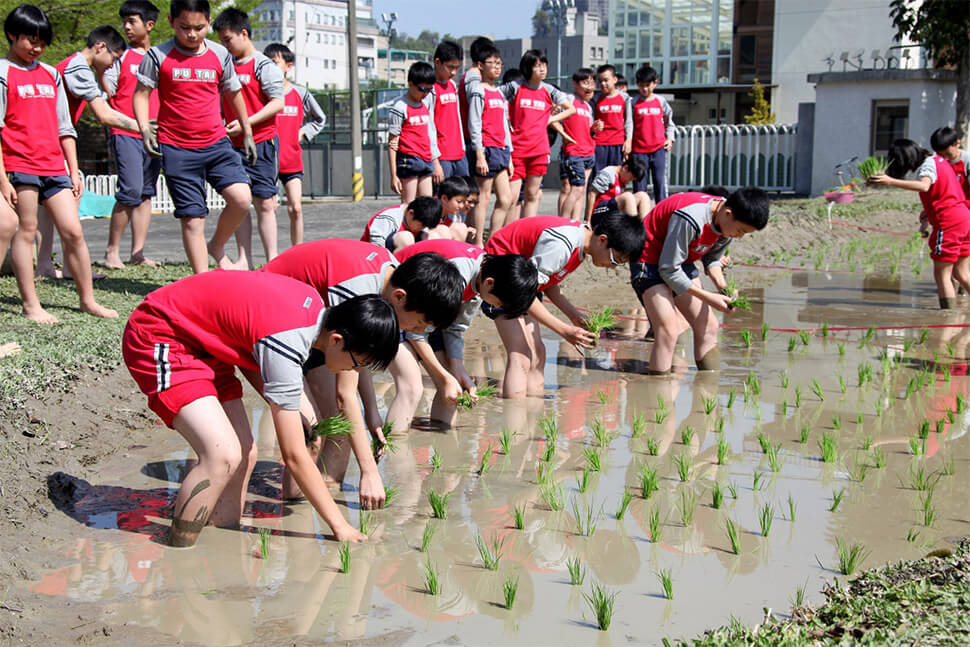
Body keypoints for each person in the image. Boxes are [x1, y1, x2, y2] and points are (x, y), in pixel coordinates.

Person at [122, 269, 400, 546]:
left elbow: (255, 347)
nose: (353, 370)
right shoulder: (289, 343)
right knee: (221, 455)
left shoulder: (312, 311)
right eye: (356, 363)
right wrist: (340, 526)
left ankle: (221, 541)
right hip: (161, 334)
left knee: (244, 451)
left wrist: (290, 408)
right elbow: (293, 456)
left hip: (207, 344)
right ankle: (179, 551)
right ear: (337, 340)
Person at [261, 239, 463, 500]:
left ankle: (322, 494)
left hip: (314, 328)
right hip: (275, 327)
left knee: (337, 427)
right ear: (399, 297)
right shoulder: (357, 291)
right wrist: (369, 472)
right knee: (323, 431)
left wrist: (371, 411)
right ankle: (295, 513)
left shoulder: (389, 275)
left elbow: (356, 360)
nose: (418, 332)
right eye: (420, 323)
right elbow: (345, 394)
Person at [0, 4, 117, 323]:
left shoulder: (52, 74)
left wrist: (73, 168)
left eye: (41, 41)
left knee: (73, 231)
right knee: (26, 230)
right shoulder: (3, 72)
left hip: (54, 167)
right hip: (19, 165)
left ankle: (87, 300)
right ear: (12, 35)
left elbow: (65, 127)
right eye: (29, 39)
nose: (35, 47)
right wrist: (4, 180)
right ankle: (31, 305)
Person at [134, 0, 255, 274]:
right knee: (192, 218)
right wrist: (144, 130)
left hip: (216, 143)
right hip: (177, 148)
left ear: (209, 23)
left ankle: (217, 245)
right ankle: (202, 281)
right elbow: (141, 95)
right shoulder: (157, 56)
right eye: (184, 27)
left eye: (199, 28)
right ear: (171, 22)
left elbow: (233, 93)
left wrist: (246, 130)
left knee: (241, 198)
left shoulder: (220, 54)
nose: (192, 34)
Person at [484, 209, 646, 398]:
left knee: (538, 352)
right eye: (615, 260)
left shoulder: (581, 246)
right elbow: (521, 293)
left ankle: (534, 410)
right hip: (498, 280)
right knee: (520, 353)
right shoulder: (562, 245)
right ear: (602, 240)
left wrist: (575, 316)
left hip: (523, 283)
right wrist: (564, 330)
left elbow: (549, 285)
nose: (612, 267)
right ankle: (515, 418)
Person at [395, 239, 538, 425]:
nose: (496, 307)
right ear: (489, 283)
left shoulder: (482, 278)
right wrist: (444, 376)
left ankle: (445, 444)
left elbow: (455, 327)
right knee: (413, 387)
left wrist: (457, 367)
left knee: (451, 387)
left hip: (427, 314)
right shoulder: (457, 275)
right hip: (400, 308)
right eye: (498, 303)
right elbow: (416, 331)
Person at [631, 188, 769, 374]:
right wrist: (708, 297)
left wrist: (723, 288)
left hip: (680, 260)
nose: (740, 236)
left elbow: (712, 260)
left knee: (709, 326)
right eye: (741, 231)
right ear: (728, 214)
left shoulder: (725, 224)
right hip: (648, 258)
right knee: (668, 331)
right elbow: (668, 270)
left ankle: (708, 391)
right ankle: (657, 395)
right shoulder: (691, 218)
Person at [42, 25, 141, 278]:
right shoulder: (78, 68)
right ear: (100, 47)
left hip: (48, 142)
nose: (112, 66)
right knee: (69, 201)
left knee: (46, 210)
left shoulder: (74, 65)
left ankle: (46, 264)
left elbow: (105, 93)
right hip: (53, 143)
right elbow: (104, 115)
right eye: (114, 59)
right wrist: (142, 127)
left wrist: (101, 75)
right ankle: (71, 266)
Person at [213, 7, 285, 267]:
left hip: (262, 143)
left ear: (244, 33)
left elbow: (277, 103)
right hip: (231, 146)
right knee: (241, 202)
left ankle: (273, 260)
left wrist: (246, 125)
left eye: (228, 39)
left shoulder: (264, 66)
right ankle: (245, 258)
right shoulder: (225, 66)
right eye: (221, 41)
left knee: (265, 202)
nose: (225, 45)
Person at [869, 139, 970, 309]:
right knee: (961, 273)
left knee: (942, 273)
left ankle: (948, 318)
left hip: (949, 223)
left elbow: (924, 186)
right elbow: (944, 190)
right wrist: (928, 212)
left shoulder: (927, 166)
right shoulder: (940, 161)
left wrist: (890, 182)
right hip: (964, 217)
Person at [102, 0, 162, 270]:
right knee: (130, 190)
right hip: (124, 130)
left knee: (146, 193)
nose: (126, 27)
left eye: (132, 21)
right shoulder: (121, 56)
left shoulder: (162, 56)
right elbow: (109, 89)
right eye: (124, 21)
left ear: (149, 25)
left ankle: (138, 252)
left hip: (155, 134)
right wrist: (101, 68)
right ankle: (111, 251)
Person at [500, 49, 575, 220]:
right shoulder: (516, 87)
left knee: (532, 195)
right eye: (537, 66)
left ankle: (526, 235)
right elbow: (495, 98)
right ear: (527, 68)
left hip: (539, 150)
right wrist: (506, 120)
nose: (542, 69)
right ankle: (508, 234)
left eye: (544, 65)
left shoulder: (549, 90)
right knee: (511, 197)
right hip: (517, 150)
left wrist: (550, 119)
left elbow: (571, 109)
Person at [264, 43, 325, 248]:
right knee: (269, 209)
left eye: (274, 63)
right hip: (267, 161)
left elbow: (319, 119)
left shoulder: (300, 94)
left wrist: (303, 133)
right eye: (266, 63)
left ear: (288, 67)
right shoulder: (261, 93)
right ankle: (271, 255)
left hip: (291, 160)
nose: (269, 67)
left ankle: (297, 250)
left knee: (296, 208)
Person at [467, 45, 513, 245]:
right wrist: (479, 155)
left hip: (501, 150)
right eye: (492, 63)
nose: (496, 67)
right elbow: (474, 123)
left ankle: (493, 239)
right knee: (483, 198)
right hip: (486, 149)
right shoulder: (478, 91)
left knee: (506, 198)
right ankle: (477, 241)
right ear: (480, 65)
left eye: (499, 63)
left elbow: (505, 124)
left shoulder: (500, 93)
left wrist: (509, 154)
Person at [388, 61, 439, 204]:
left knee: (427, 205)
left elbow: (429, 134)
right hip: (409, 160)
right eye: (422, 89)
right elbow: (392, 143)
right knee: (408, 205)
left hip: (426, 159)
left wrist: (434, 161)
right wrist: (394, 175)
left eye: (429, 90)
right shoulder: (400, 107)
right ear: (410, 83)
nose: (425, 94)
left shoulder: (426, 103)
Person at [629, 65, 674, 203]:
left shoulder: (660, 101)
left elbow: (669, 121)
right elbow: (629, 124)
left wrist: (670, 138)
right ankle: (639, 217)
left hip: (658, 149)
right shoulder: (633, 102)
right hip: (639, 151)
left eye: (648, 85)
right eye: (641, 85)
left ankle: (662, 214)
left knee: (660, 184)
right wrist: (628, 143)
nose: (645, 89)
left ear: (655, 83)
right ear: (637, 84)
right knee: (639, 186)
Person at [558, 68, 596, 221]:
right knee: (575, 189)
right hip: (574, 153)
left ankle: (575, 222)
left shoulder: (588, 106)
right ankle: (562, 223)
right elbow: (552, 117)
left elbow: (588, 130)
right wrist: (564, 134)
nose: (589, 86)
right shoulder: (568, 99)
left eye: (592, 83)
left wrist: (595, 129)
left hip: (589, 153)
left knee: (582, 190)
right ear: (575, 83)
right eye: (585, 82)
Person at [428, 40, 466, 182]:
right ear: (437, 62)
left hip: (459, 154)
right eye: (450, 67)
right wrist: (435, 160)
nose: (454, 72)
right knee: (442, 199)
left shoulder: (452, 85)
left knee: (464, 197)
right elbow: (429, 127)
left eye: (457, 67)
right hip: (442, 156)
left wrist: (462, 147)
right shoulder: (430, 89)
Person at [361, 195, 442, 252]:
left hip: (399, 254)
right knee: (406, 238)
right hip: (374, 256)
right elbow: (376, 249)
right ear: (411, 213)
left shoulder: (417, 217)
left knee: (435, 236)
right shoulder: (388, 219)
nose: (423, 228)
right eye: (422, 225)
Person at [591, 64, 630, 176]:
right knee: (598, 178)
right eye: (600, 81)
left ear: (614, 79)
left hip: (617, 144)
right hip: (599, 144)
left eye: (606, 80)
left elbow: (629, 122)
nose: (603, 84)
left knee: (615, 179)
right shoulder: (595, 98)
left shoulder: (624, 98)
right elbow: (591, 121)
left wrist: (629, 140)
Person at [586, 156, 649, 221]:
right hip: (600, 212)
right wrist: (588, 221)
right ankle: (633, 229)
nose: (629, 181)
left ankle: (644, 228)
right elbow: (592, 194)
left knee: (643, 196)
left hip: (614, 211)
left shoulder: (622, 176)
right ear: (625, 168)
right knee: (628, 196)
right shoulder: (608, 174)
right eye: (631, 178)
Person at [930, 126, 970, 203]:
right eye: (940, 155)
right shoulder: (936, 163)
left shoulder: (967, 161)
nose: (946, 158)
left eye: (948, 154)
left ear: (958, 143)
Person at [437, 175, 473, 241]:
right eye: (459, 201)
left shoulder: (453, 214)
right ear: (444, 199)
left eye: (464, 202)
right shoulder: (430, 210)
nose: (461, 206)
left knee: (461, 227)